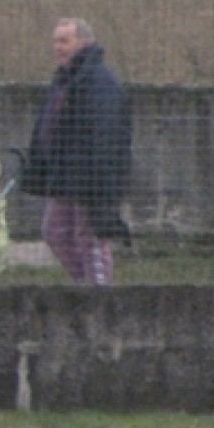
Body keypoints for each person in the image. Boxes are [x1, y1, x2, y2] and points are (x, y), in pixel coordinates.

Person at [23, 18, 132, 285]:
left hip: (89, 180)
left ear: (84, 42)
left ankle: (99, 297)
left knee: (90, 238)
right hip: (63, 178)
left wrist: (100, 181)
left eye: (64, 41)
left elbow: (107, 136)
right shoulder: (65, 80)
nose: (57, 47)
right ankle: (83, 286)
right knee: (55, 232)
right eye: (56, 41)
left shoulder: (100, 83)